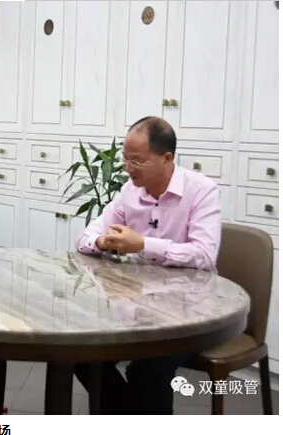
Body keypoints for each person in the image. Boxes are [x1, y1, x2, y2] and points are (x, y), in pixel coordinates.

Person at [74, 116, 222, 414]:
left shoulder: (201, 191)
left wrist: (143, 244)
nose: (128, 168)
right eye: (125, 159)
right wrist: (102, 242)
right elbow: (86, 236)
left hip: (189, 312)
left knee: (148, 370)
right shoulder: (130, 192)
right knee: (82, 356)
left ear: (167, 158)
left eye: (137, 160)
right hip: (138, 306)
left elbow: (204, 256)